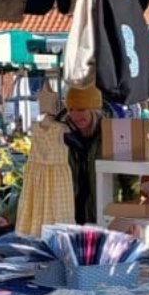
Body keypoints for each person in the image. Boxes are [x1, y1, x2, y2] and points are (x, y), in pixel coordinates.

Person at [61, 85, 103, 225]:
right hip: (69, 217)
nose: (75, 115)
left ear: (93, 109)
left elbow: (129, 180)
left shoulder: (109, 135)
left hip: (102, 216)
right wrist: (8, 215)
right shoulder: (60, 135)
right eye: (71, 110)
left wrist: (131, 218)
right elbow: (39, 177)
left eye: (81, 109)